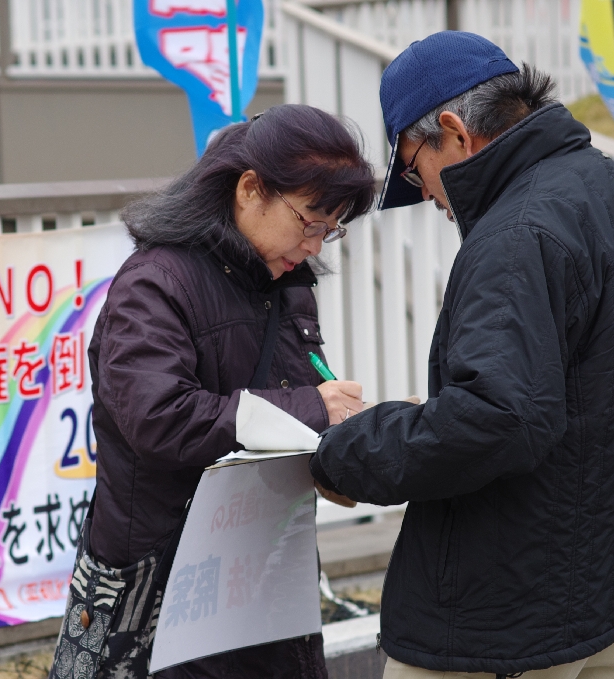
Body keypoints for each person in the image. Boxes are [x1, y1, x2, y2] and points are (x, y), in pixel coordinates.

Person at [309, 31, 614, 679]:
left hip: (508, 612)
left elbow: (496, 418)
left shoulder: (518, 230)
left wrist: (352, 448)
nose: (432, 199)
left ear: (454, 131)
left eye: (415, 170)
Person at [48, 104, 376, 679]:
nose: (318, 246)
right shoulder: (155, 283)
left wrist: (342, 440)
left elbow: (290, 413)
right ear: (251, 189)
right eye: (310, 222)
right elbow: (159, 417)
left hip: (264, 572)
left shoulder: (288, 283)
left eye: (332, 228)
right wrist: (311, 407)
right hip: (166, 581)